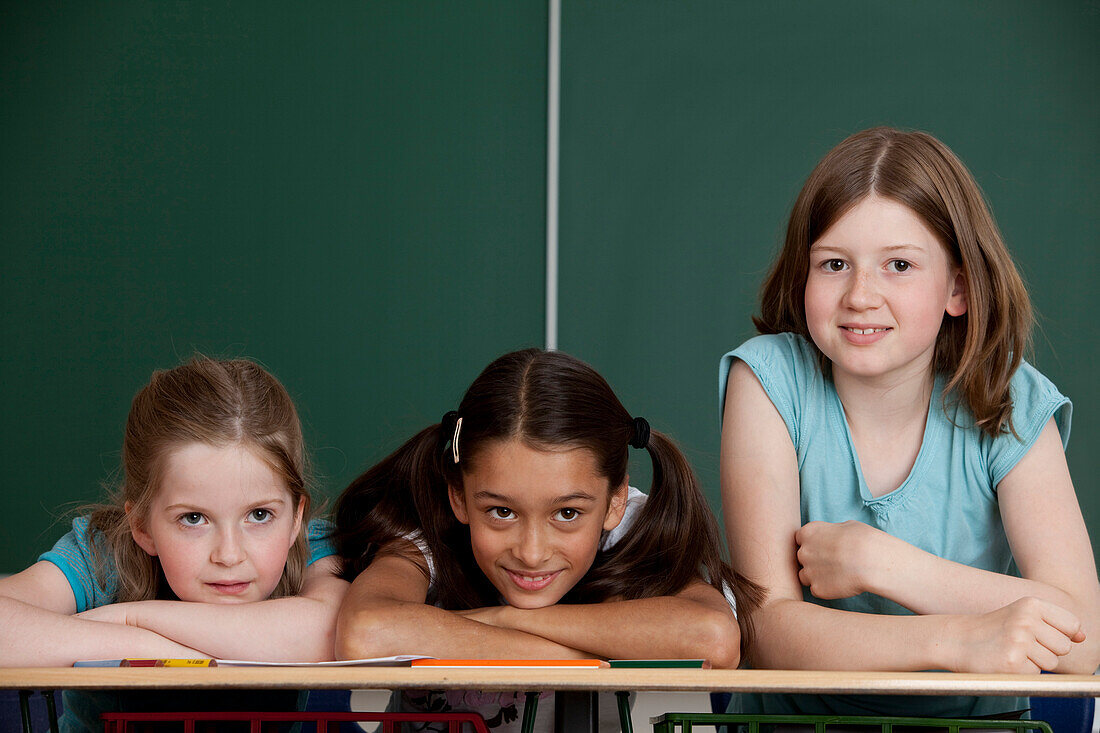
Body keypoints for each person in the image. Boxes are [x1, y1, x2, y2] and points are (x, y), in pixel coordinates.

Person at [719, 126, 1100, 718]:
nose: (861, 295)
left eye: (899, 264)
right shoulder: (769, 380)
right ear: (803, 275)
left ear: (959, 287)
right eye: (834, 264)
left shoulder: (1009, 395)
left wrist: (883, 563)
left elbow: (1086, 638)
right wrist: (958, 639)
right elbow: (769, 633)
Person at [334, 347, 761, 731]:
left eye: (567, 514)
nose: (532, 552)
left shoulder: (633, 531)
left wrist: (502, 620)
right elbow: (365, 632)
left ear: (614, 502)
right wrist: (576, 659)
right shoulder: (427, 531)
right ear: (459, 497)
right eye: (501, 512)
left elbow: (714, 638)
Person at [0, 356, 348, 730]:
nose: (229, 555)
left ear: (296, 517)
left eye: (259, 515)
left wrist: (130, 617)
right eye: (193, 518)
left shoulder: (312, 546)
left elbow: (328, 630)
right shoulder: (105, 553)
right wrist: (155, 650)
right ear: (142, 525)